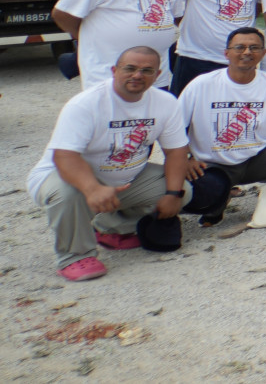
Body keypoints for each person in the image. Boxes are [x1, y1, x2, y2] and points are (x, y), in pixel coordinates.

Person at [28, 46, 189, 281]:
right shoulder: (85, 104)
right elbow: (64, 156)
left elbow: (176, 151)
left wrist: (174, 193)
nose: (137, 75)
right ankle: (74, 257)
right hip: (70, 176)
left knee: (185, 191)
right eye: (130, 68)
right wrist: (92, 188)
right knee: (67, 194)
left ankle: (114, 228)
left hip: (126, 179)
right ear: (114, 70)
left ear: (157, 75)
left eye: (147, 70)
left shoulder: (166, 102)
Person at [179, 29, 266, 227]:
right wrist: (185, 159)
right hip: (212, 164)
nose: (247, 52)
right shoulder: (201, 85)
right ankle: (216, 206)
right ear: (227, 53)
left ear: (263, 54)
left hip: (256, 158)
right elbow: (174, 128)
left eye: (254, 47)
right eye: (239, 47)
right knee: (198, 199)